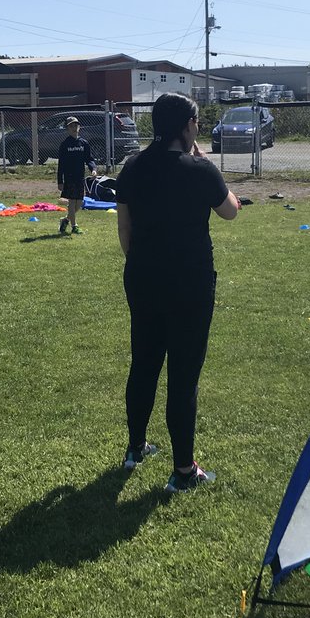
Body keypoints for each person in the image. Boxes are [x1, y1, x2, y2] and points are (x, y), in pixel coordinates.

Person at [115, 93, 241, 492]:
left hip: (142, 278)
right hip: (189, 284)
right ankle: (184, 472)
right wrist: (203, 160)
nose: (198, 128)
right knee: (183, 378)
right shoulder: (200, 169)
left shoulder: (133, 166)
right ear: (187, 126)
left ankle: (135, 448)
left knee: (144, 364)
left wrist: (141, 265)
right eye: (197, 122)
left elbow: (125, 229)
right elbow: (231, 210)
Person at [56, 116, 97, 235]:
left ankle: (65, 220)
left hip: (80, 177)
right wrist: (60, 181)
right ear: (67, 129)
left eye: (76, 125)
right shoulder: (65, 144)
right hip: (69, 178)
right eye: (71, 126)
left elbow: (89, 159)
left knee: (79, 204)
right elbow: (61, 164)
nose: (74, 128)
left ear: (79, 127)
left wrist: (93, 169)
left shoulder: (84, 143)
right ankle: (74, 226)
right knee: (72, 202)